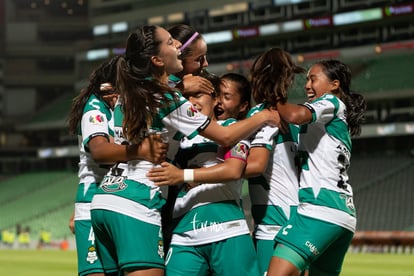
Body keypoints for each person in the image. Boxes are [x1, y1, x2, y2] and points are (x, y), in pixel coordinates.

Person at [90, 25, 279, 276]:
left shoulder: (128, 92)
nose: (177, 46)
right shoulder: (168, 99)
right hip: (136, 201)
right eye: (170, 42)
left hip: (105, 199)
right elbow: (225, 135)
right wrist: (263, 116)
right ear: (157, 60)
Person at [147, 73, 259, 275]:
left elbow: (233, 170)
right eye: (187, 97)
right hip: (184, 234)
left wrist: (183, 175)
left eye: (198, 95)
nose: (191, 102)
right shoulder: (176, 140)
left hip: (226, 228)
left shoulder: (232, 128)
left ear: (215, 99)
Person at [67, 55, 167, 276]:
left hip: (112, 196)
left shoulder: (123, 105)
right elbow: (100, 151)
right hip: (96, 196)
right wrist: (141, 151)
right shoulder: (95, 107)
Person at [268, 59, 367, 276]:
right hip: (344, 215)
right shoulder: (333, 123)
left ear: (334, 84)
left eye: (313, 79)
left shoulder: (331, 101)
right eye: (306, 80)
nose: (307, 85)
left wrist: (274, 96)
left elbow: (294, 115)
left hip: (319, 209)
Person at [243, 47, 306, 275]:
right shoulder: (297, 120)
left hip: (272, 226)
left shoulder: (260, 116)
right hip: (300, 224)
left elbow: (256, 164)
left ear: (258, 79)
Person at [168, 24, 214, 95]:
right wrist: (181, 89)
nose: (206, 64)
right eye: (199, 59)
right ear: (178, 59)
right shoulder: (153, 86)